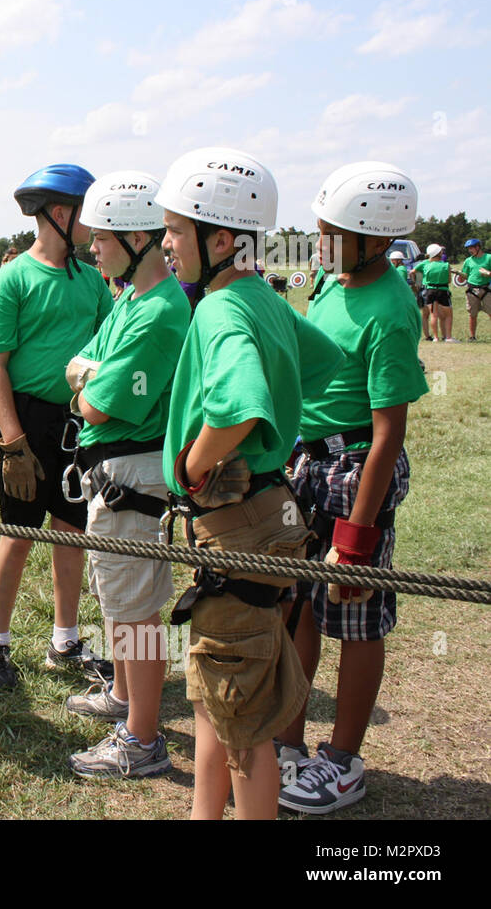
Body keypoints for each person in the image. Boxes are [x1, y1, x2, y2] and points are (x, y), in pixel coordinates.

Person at [157, 147, 341, 819]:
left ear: (221, 239)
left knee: (245, 726)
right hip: (269, 511)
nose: (166, 242)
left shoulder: (218, 308)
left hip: (235, 519)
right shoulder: (262, 296)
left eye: (176, 230)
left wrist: (193, 464)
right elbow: (323, 362)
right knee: (218, 699)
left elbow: (238, 406)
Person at [275, 162, 429, 814]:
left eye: (330, 232)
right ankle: (287, 741)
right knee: (298, 606)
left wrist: (359, 537)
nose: (318, 242)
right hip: (309, 462)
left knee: (356, 615)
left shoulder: (392, 309)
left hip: (356, 467)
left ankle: (341, 762)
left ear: (373, 238)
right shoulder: (335, 282)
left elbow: (389, 427)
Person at [63, 170, 190, 779]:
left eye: (104, 238)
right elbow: (86, 369)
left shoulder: (158, 310)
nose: (93, 248)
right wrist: (90, 374)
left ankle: (141, 739)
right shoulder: (130, 298)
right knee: (117, 596)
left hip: (132, 472)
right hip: (114, 469)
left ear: (139, 238)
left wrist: (88, 378)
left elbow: (96, 401)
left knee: (136, 609)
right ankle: (122, 697)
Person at [0, 164, 113, 692]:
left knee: (72, 532)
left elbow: (105, 349)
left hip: (76, 424)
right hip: (26, 421)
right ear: (61, 213)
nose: (95, 225)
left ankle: (64, 640)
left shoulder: (94, 280)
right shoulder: (14, 279)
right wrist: (14, 445)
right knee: (18, 533)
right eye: (88, 214)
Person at [416, 243, 454, 342]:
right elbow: (449, 280)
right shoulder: (446, 265)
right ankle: (448, 337)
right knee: (448, 314)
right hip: (442, 291)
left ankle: (436, 337)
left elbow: (416, 273)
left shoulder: (427, 265)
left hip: (430, 291)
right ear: (439, 253)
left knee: (433, 315)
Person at [460, 238, 490, 341]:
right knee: (472, 314)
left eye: (471, 248)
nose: (470, 251)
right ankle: (472, 336)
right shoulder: (468, 261)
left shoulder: (489, 258)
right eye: (468, 249)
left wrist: (489, 273)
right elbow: (463, 276)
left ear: (478, 247)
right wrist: (459, 274)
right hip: (472, 290)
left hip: (486, 289)